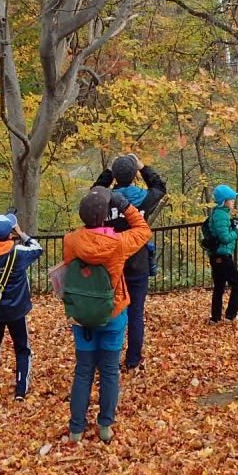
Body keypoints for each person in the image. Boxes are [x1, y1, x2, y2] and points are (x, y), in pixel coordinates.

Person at [63, 186, 151, 443]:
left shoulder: (71, 241)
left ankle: (76, 429)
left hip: (81, 315)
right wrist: (125, 206)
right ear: (104, 217)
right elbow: (143, 231)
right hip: (112, 312)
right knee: (110, 370)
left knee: (83, 371)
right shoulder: (118, 243)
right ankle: (105, 426)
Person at [93, 153, 166, 371]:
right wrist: (143, 167)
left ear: (115, 175)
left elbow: (94, 192)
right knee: (135, 313)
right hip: (137, 262)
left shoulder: (103, 199)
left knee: (108, 310)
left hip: (109, 262)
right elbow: (160, 187)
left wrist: (108, 172)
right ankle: (133, 360)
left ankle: (107, 358)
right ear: (134, 175)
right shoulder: (143, 198)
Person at [0, 211, 43, 400]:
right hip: (16, 309)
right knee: (22, 349)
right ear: (9, 234)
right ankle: (20, 391)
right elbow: (38, 248)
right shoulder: (18, 253)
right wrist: (20, 232)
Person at [206, 184, 238, 324]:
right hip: (222, 256)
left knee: (219, 286)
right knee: (237, 284)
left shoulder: (219, 214)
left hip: (216, 255)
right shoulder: (221, 215)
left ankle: (215, 318)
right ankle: (231, 315)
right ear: (223, 201)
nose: (233, 202)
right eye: (231, 199)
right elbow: (224, 238)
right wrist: (237, 231)